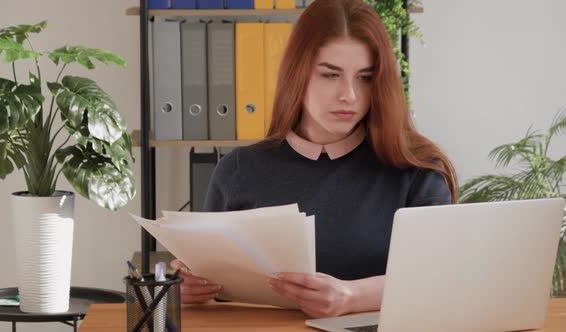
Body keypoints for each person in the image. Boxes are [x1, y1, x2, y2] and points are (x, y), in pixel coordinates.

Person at [171, 0, 458, 318]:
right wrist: (191, 290)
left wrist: (352, 296)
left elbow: (440, 279)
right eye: (330, 75)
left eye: (364, 77)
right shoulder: (238, 169)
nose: (348, 94)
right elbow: (218, 301)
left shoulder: (417, 169)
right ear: (298, 74)